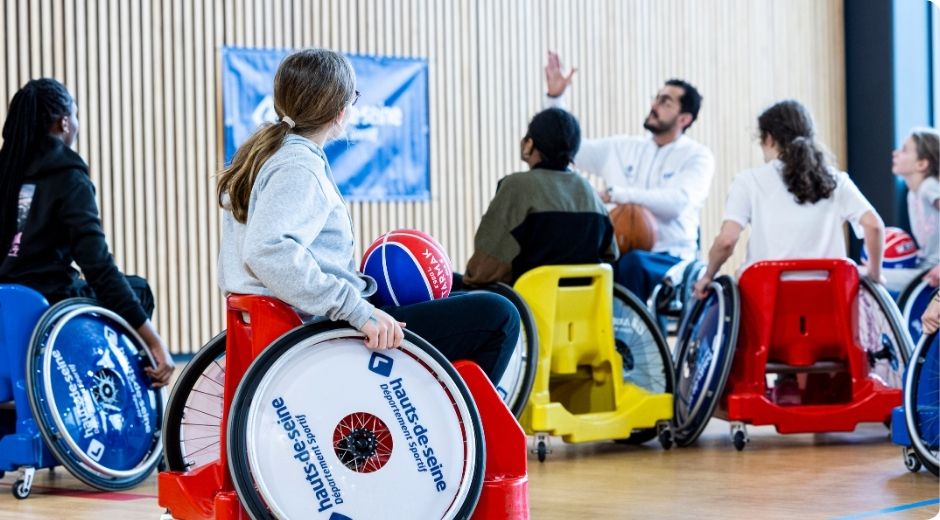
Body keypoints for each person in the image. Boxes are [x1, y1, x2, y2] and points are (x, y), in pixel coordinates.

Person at [217, 48, 519, 383]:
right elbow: (267, 250)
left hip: (310, 314)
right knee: (500, 315)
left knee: (456, 288)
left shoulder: (269, 155)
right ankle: (457, 414)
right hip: (324, 330)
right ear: (340, 112)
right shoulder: (298, 167)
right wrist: (357, 310)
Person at [0, 78, 174, 387]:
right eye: (76, 116)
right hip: (48, 311)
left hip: (6, 311)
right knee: (139, 290)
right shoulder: (68, 177)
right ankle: (92, 389)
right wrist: (154, 341)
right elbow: (98, 268)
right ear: (64, 122)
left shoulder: (7, 172)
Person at [542, 51, 714, 302]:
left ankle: (624, 329)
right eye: (656, 98)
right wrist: (555, 99)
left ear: (684, 118)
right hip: (617, 251)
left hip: (670, 258)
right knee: (573, 257)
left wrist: (617, 195)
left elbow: (677, 203)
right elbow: (572, 148)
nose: (655, 105)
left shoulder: (697, 156)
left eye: (665, 102)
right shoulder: (623, 147)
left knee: (631, 264)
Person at [693, 99, 885, 298]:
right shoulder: (836, 180)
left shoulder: (748, 181)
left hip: (766, 299)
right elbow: (874, 226)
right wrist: (874, 273)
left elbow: (727, 241)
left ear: (769, 139)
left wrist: (708, 276)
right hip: (828, 299)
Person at [463, 108, 618, 286]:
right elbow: (611, 256)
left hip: (527, 301)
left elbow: (483, 270)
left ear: (529, 143)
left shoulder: (517, 187)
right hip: (585, 303)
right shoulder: (590, 193)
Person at [886, 128, 939, 293]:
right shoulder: (912, 194)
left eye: (904, 150)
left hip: (929, 272)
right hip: (923, 267)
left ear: (922, 164)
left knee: (860, 275)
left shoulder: (928, 187)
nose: (895, 153)